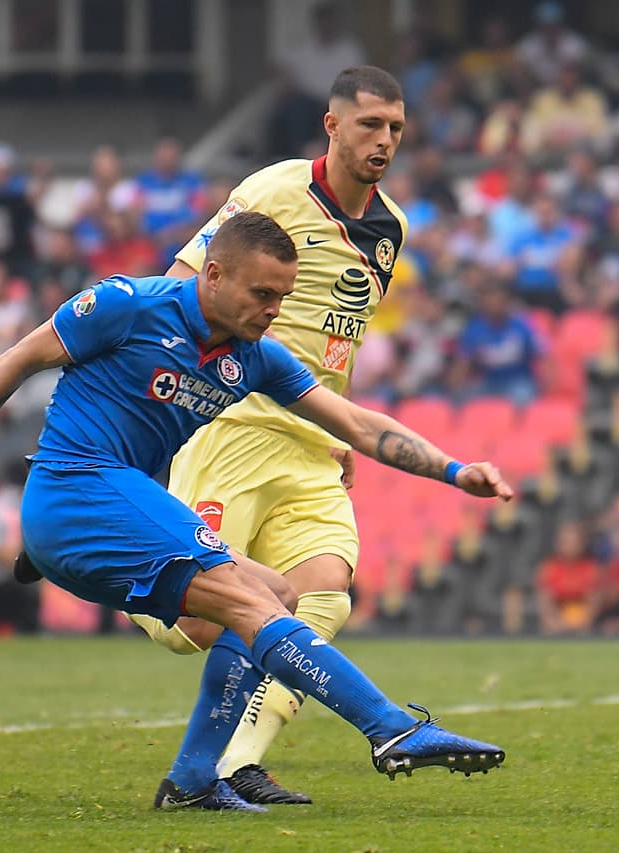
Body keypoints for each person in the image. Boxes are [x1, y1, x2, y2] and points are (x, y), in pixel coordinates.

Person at [0, 211, 510, 810]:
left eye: (283, 297)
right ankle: (392, 729)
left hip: (120, 501)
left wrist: (455, 471)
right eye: (262, 293)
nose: (274, 310)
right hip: (75, 488)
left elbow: (356, 423)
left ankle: (192, 780)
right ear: (213, 274)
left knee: (278, 593)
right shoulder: (127, 304)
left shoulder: (255, 357)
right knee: (251, 603)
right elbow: (18, 360)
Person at [132, 65, 426, 807]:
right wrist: (170, 393)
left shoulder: (390, 228)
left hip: (308, 442)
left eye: (395, 127)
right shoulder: (273, 191)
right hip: (230, 423)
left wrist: (340, 426)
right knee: (195, 622)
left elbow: (339, 338)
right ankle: (110, 561)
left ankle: (234, 764)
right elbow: (184, 280)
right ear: (332, 126)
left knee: (324, 590)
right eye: (370, 124)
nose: (384, 140)